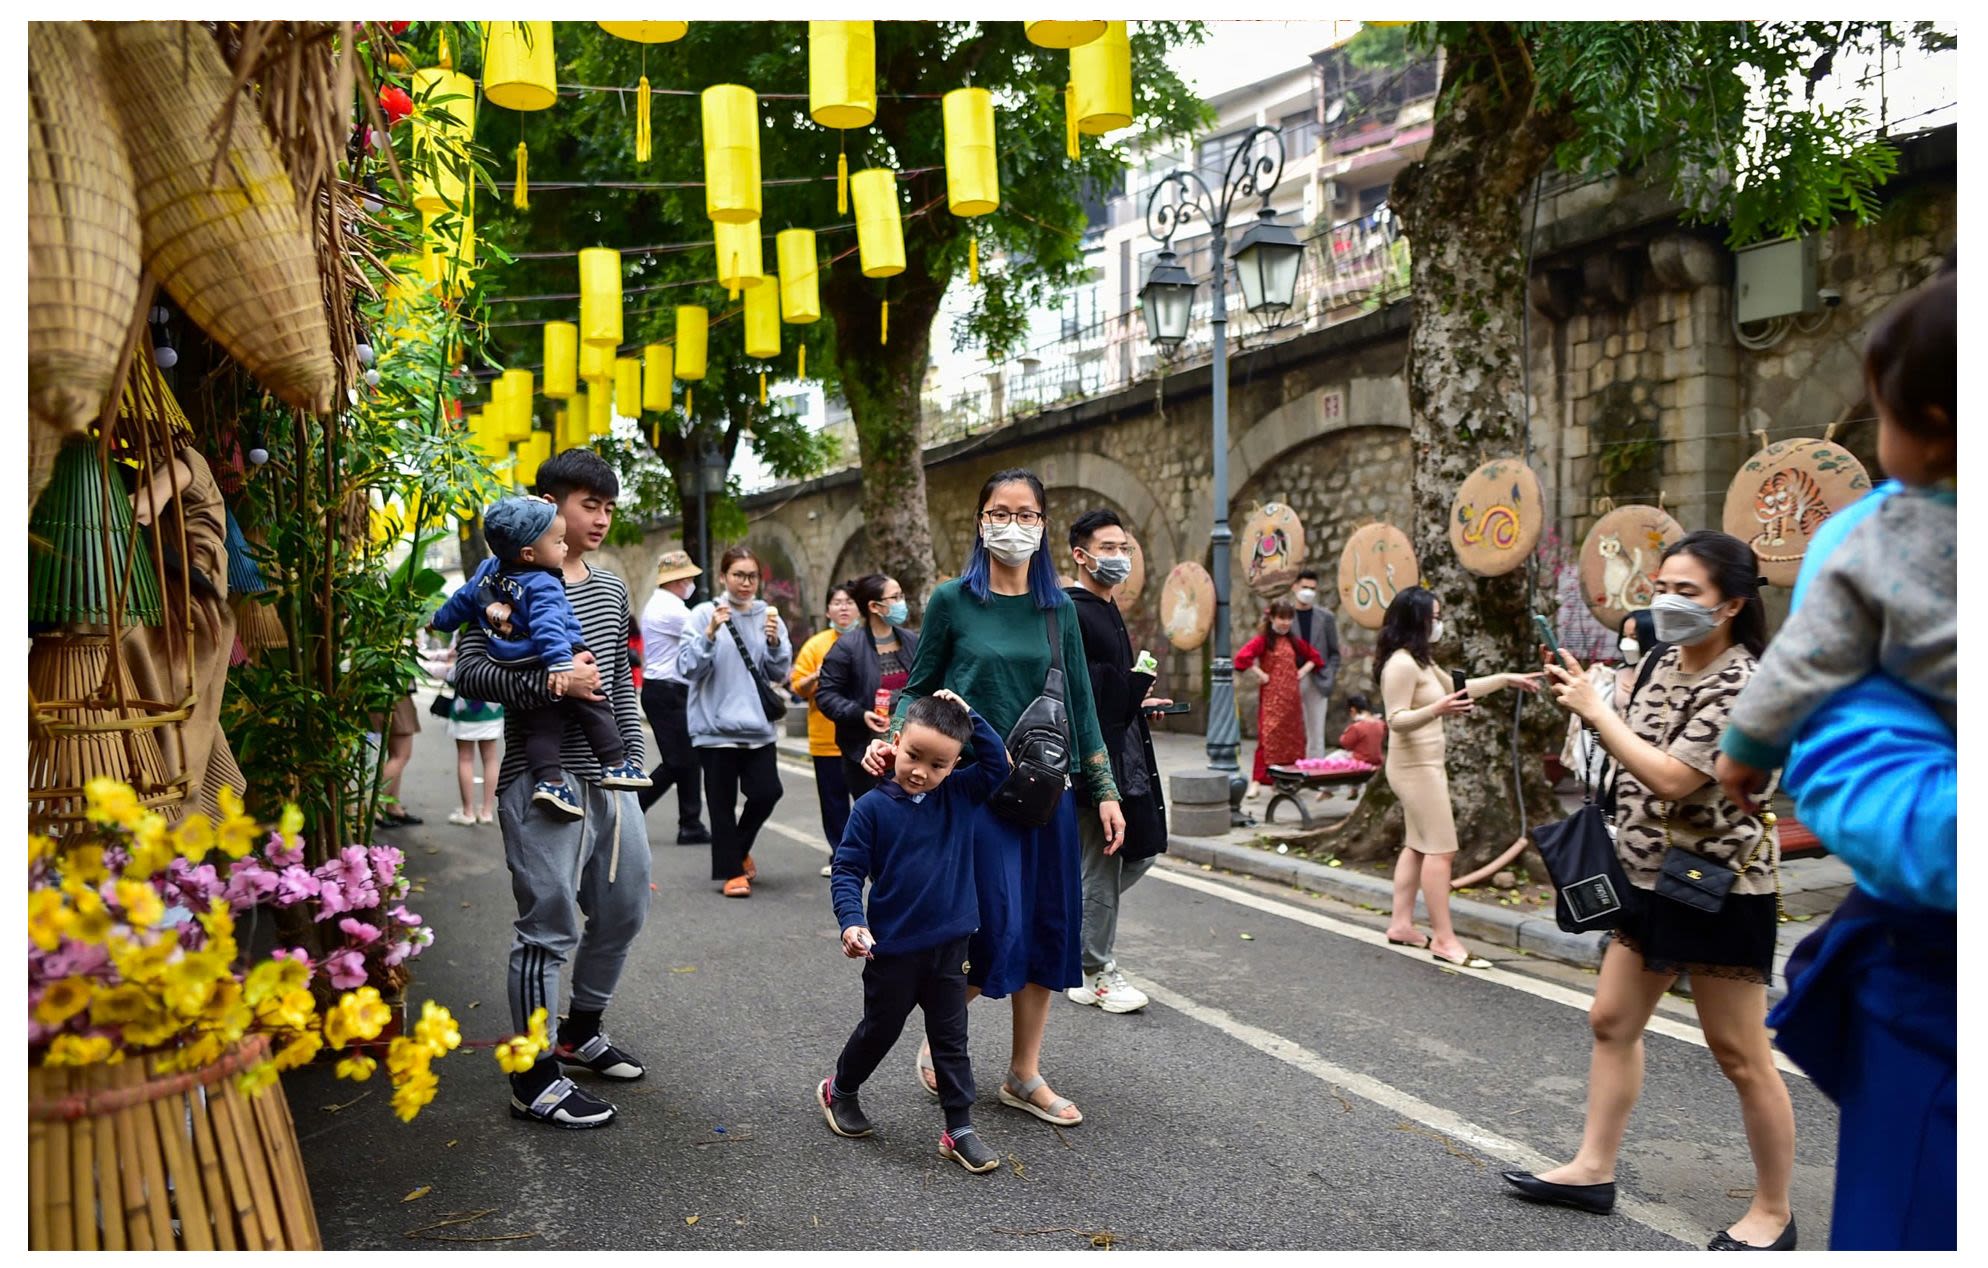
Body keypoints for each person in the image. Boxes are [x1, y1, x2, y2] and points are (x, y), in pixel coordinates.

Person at [1733, 270, 1956, 1251]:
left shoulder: (1879, 542)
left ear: (1931, 426)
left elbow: (1796, 678)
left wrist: (1742, 751)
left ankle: (1769, 1207)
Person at [1511, 531, 1797, 1251]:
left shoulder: (1745, 683)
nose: (1668, 602)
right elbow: (1624, 755)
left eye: (1687, 592)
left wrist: (1598, 712)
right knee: (1611, 1020)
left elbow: (1673, 778)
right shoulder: (1660, 663)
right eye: (1662, 587)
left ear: (1732, 604)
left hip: (1718, 885)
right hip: (1642, 875)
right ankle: (1592, 1168)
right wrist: (1589, 698)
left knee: (1738, 1053)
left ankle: (1773, 1212)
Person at [861, 468, 1123, 1127]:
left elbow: (1081, 705)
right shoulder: (952, 601)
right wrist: (891, 742)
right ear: (981, 522)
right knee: (993, 928)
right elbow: (918, 687)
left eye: (1026, 513)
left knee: (1047, 928)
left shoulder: (1058, 608)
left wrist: (1105, 789)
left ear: (1043, 524)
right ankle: (944, 1027)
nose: (1013, 525)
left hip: (1045, 795)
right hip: (974, 793)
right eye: (1000, 513)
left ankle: (1023, 1074)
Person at [450, 448, 652, 1130]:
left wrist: (631, 757)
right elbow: (469, 674)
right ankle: (533, 1077)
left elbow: (619, 682)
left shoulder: (610, 588)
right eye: (588, 505)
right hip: (540, 781)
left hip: (609, 777)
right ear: (548, 506)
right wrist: (552, 681)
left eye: (609, 508)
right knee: (548, 926)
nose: (601, 519)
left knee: (624, 910)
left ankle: (580, 1031)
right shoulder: (500, 581)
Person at [820, 691, 1011, 1174]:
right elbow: (847, 870)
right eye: (913, 756)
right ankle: (840, 1089)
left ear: (955, 765)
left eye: (938, 764)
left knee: (951, 1038)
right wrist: (852, 921)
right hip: (893, 949)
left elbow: (998, 765)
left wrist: (970, 713)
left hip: (951, 945)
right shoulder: (871, 808)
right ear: (895, 741)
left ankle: (959, 1127)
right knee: (880, 1029)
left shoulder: (958, 795)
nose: (922, 771)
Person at [430, 496, 650, 818]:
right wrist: (561, 666)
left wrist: (437, 621)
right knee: (594, 704)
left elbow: (460, 602)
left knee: (541, 726)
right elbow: (549, 625)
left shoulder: (487, 572)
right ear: (529, 554)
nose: (564, 547)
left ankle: (548, 782)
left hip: (514, 658)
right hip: (559, 656)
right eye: (558, 542)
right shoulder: (544, 582)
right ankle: (615, 763)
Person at [1374, 587, 1540, 968]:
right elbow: (1395, 720)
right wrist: (1438, 710)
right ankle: (1444, 939)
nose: (1439, 624)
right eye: (1433, 617)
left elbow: (1458, 689)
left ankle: (1401, 924)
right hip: (1414, 769)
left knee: (1417, 846)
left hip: (1427, 766)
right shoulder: (1401, 664)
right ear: (1415, 620)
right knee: (1442, 850)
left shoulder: (1422, 662)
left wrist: (1505, 679)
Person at [1063, 509, 1170, 1014]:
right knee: (1103, 864)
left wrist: (1138, 700)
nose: (1120, 557)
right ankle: (1093, 971)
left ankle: (1073, 918)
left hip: (1121, 756)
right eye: (1108, 548)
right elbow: (1084, 694)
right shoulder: (1072, 611)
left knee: (1139, 851)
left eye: (1124, 548)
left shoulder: (1106, 607)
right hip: (1093, 762)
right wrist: (1135, 685)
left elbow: (1109, 692)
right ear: (1080, 555)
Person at [677, 545, 791, 897]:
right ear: (723, 577)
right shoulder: (702, 614)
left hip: (758, 728)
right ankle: (732, 874)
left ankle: (735, 853)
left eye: (752, 576)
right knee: (721, 804)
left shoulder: (768, 616)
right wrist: (710, 633)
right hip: (714, 729)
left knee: (767, 792)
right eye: (738, 575)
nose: (746, 583)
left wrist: (774, 643)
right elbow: (688, 668)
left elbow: (779, 673)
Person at [815, 573, 920, 800]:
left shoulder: (912, 641)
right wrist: (861, 714)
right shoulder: (847, 647)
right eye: (895, 597)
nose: (901, 603)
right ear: (874, 606)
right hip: (867, 754)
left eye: (901, 596)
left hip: (911, 751)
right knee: (877, 815)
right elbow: (826, 695)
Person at [637, 550, 710, 845]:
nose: (691, 583)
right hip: (667, 692)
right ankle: (635, 805)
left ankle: (690, 823)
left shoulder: (664, 604)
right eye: (688, 578)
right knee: (678, 760)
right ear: (678, 580)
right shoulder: (671, 610)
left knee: (689, 759)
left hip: (668, 691)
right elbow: (706, 635)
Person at [792, 580, 862, 872]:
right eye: (837, 603)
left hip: (865, 739)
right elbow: (797, 687)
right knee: (834, 804)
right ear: (827, 611)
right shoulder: (816, 645)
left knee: (868, 801)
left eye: (849, 602)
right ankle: (840, 858)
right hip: (826, 739)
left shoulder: (871, 641)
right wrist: (818, 676)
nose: (843, 608)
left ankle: (870, 856)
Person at [1235, 600, 1328, 800]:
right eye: (1281, 618)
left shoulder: (1293, 641)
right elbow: (1242, 658)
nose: (1285, 622)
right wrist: (1261, 674)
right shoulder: (1263, 641)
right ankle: (1257, 781)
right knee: (1267, 739)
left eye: (1289, 618)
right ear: (1272, 618)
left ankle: (1285, 780)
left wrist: (1301, 672)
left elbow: (1315, 657)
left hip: (1291, 699)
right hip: (1271, 699)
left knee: (1292, 740)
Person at [430, 637, 503, 826]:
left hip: (465, 706)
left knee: (465, 758)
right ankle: (487, 811)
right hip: (492, 705)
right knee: (490, 758)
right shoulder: (498, 632)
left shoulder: (464, 632)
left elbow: (453, 674)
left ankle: (468, 811)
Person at [1289, 568, 1342, 759]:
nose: (1308, 592)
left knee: (1316, 733)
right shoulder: (1285, 616)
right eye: (1305, 587)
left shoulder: (1326, 617)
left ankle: (1315, 770)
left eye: (1312, 589)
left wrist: (1329, 674)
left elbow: (1334, 652)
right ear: (1294, 587)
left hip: (1319, 679)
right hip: (1292, 678)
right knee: (1290, 729)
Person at [1337, 694, 1385, 768]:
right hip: (1377, 760)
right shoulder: (1381, 723)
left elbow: (1345, 743)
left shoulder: (1356, 727)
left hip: (1360, 760)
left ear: (1353, 710)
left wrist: (1346, 732)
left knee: (1333, 757)